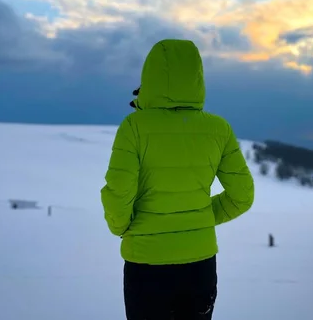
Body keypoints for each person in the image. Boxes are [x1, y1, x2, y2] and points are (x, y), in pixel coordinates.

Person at [101, 38, 255, 320]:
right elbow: (242, 195)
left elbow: (118, 190)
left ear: (149, 75)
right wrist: (199, 220)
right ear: (197, 77)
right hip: (200, 265)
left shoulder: (134, 126)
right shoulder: (218, 128)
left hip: (146, 264)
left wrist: (123, 227)